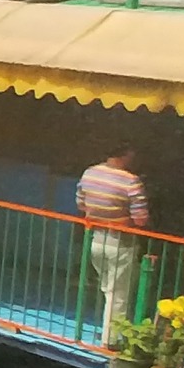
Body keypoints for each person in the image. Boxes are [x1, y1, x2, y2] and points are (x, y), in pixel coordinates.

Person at [76, 143, 150, 346]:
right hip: (121, 242)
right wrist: (120, 219)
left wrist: (101, 216)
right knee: (118, 293)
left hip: (96, 239)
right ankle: (112, 340)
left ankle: (107, 332)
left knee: (108, 288)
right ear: (126, 155)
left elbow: (81, 204)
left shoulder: (90, 173)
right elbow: (141, 218)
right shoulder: (131, 181)